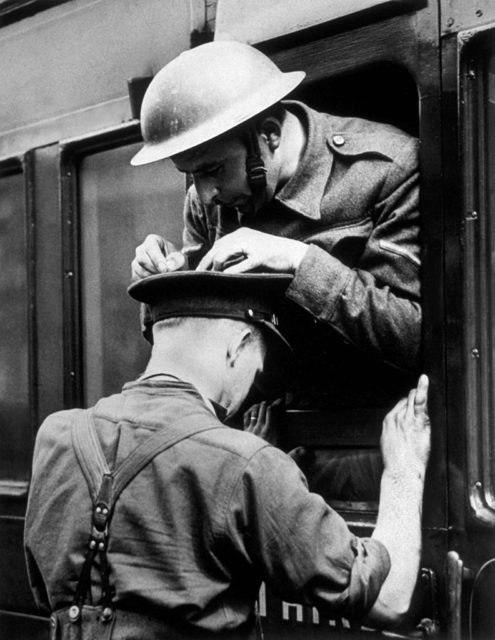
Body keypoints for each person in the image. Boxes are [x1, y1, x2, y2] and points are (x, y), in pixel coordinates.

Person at [24, 271, 430, 639]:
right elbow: (388, 601)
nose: (248, 391)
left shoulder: (57, 435)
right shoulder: (248, 464)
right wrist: (403, 472)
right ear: (237, 347)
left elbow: (50, 588)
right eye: (256, 371)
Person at [130, 40, 421, 377]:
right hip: (257, 421)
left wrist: (299, 262)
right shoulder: (204, 202)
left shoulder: (386, 170)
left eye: (213, 170)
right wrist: (169, 283)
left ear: (269, 136)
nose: (205, 194)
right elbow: (197, 355)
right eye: (191, 175)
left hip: (367, 418)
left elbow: (413, 335)